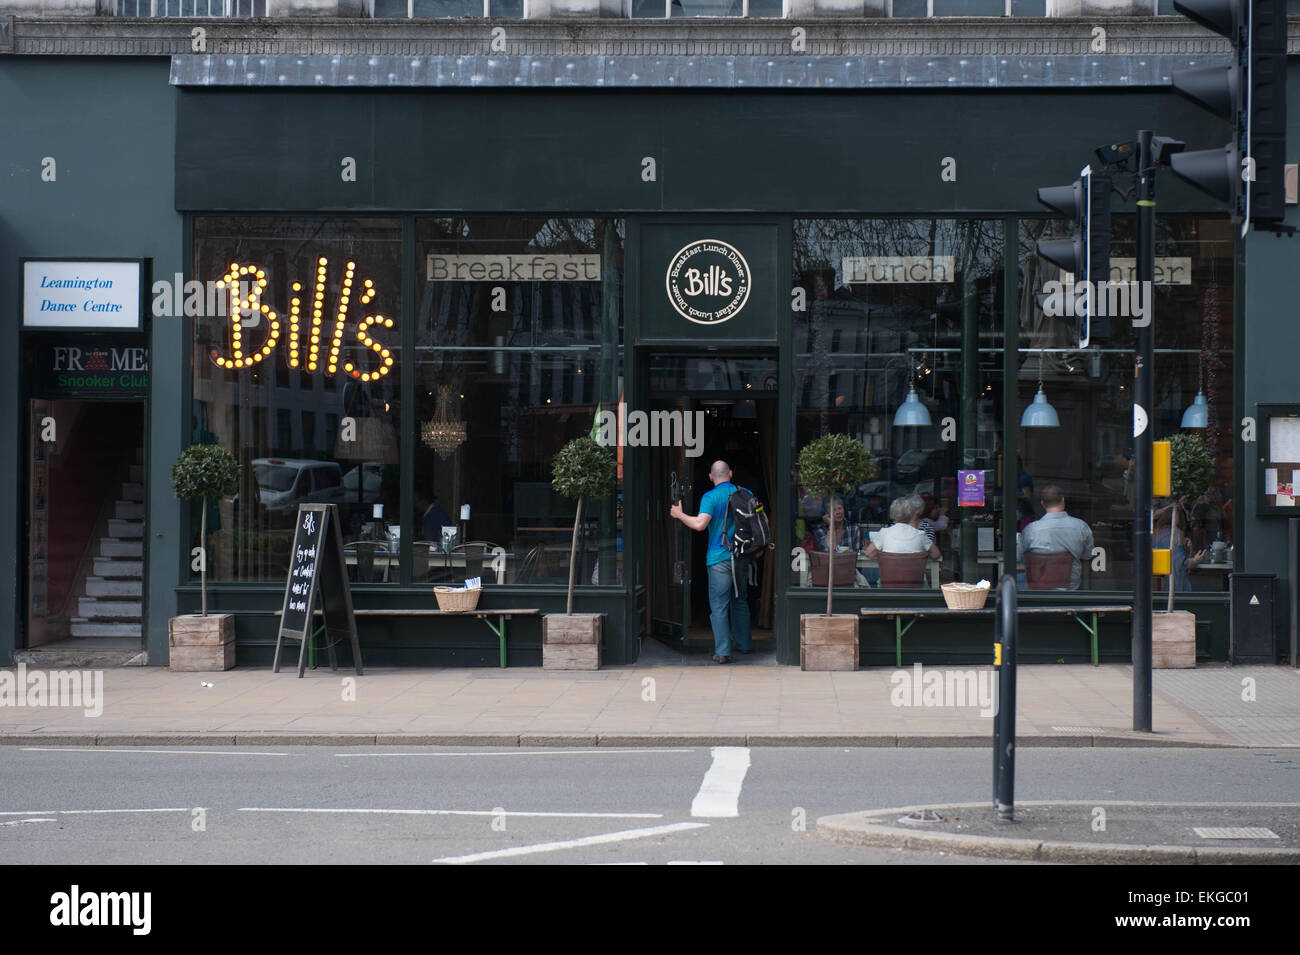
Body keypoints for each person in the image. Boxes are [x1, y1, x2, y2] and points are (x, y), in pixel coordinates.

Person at [670, 460, 751, 663]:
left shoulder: (710, 497)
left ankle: (723, 651)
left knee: (719, 605)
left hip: (719, 559)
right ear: (730, 473)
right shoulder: (746, 493)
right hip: (741, 557)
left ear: (710, 477)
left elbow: (699, 524)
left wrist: (679, 514)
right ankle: (744, 645)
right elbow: (761, 521)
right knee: (740, 601)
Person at [1018, 484, 1094, 590]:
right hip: (1070, 589)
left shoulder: (1030, 530)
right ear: (1063, 501)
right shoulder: (1081, 527)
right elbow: (1087, 555)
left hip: (1037, 589)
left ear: (1042, 504)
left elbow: (1022, 557)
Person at [864, 495, 941, 560]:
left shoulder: (884, 533)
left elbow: (869, 553)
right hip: (914, 577)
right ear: (911, 513)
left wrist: (884, 553)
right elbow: (936, 555)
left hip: (889, 577)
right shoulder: (921, 534)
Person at [1155, 500, 1207, 592]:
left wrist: (1187, 549)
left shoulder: (1160, 533)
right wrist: (1196, 560)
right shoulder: (1175, 534)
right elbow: (1181, 564)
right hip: (1176, 586)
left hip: (1164, 585)